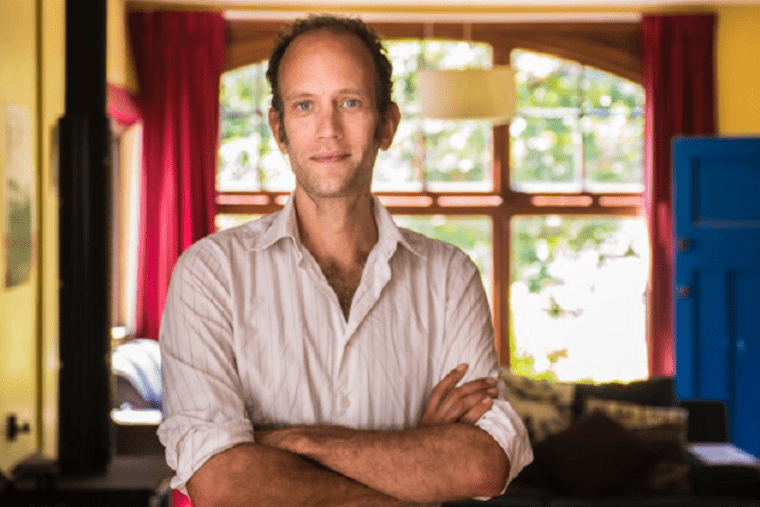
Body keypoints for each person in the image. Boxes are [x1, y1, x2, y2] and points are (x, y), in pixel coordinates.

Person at [157, 15, 532, 507]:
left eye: (349, 102)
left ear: (387, 124)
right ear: (279, 128)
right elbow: (222, 483)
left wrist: (291, 441)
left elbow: (480, 464)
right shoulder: (210, 274)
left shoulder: (448, 276)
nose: (327, 129)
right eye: (304, 105)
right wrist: (415, 457)